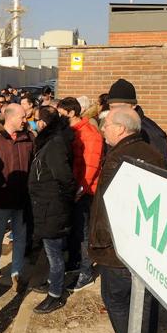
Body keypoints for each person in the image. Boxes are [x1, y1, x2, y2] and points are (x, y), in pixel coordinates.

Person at [90, 108, 167, 333]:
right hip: (143, 246)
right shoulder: (153, 153)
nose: (102, 129)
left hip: (118, 250)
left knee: (117, 301)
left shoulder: (118, 158)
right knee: (141, 303)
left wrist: (100, 245)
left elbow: (107, 209)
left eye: (107, 125)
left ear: (121, 129)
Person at [0, 103, 33, 290]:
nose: (25, 121)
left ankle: (16, 272)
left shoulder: (28, 138)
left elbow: (33, 164)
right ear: (10, 117)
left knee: (20, 237)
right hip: (0, 198)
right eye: (22, 117)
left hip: (22, 199)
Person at [28, 106, 76, 313]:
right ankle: (50, 283)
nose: (32, 122)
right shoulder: (48, 141)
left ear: (43, 123)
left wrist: (60, 202)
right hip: (47, 206)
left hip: (53, 208)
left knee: (54, 254)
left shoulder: (54, 144)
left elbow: (64, 178)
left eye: (36, 119)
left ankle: (55, 295)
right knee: (50, 252)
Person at [57, 97, 103, 292]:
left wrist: (79, 190)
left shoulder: (90, 134)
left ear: (72, 113)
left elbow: (90, 166)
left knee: (83, 232)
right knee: (75, 230)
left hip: (84, 191)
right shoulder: (70, 132)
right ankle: (75, 263)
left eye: (61, 115)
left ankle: (86, 271)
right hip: (72, 188)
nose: (59, 118)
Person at [107, 79, 167, 170]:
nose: (116, 111)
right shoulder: (110, 126)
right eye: (112, 107)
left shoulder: (152, 133)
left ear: (133, 106)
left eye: (121, 107)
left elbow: (161, 171)